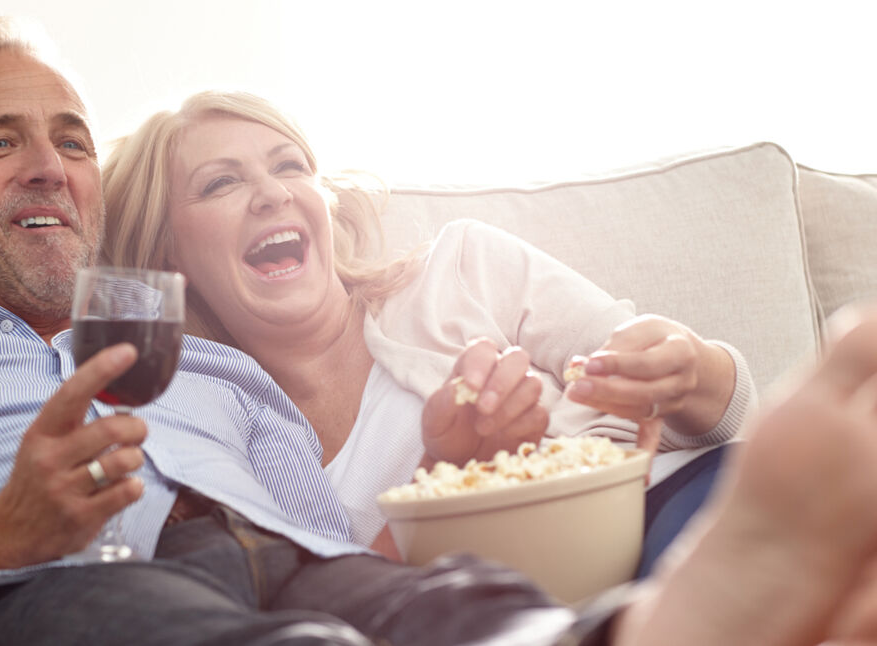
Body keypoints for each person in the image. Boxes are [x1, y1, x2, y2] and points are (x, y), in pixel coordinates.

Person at [0, 15, 877, 646]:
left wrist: (449, 481)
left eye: (72, 142)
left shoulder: (212, 362)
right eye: (0, 142)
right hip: (47, 592)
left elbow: (356, 550)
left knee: (444, 605)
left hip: (291, 573)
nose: (47, 166)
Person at [101, 90, 757, 570]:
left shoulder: (463, 267)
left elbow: (711, 419)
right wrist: (447, 478)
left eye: (290, 166)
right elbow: (333, 605)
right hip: (509, 613)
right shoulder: (211, 430)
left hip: (658, 509)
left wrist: (689, 370)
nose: (274, 194)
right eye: (220, 183)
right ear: (167, 256)